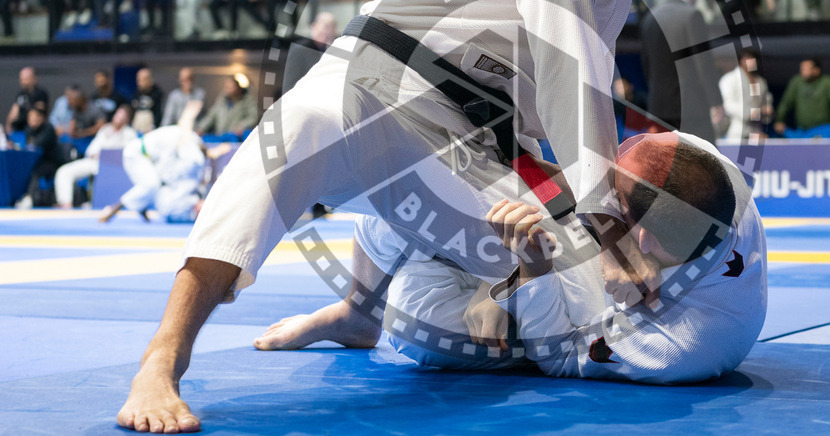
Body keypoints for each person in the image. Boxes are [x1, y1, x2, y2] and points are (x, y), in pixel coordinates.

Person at [116, 0, 710, 434]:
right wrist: (609, 226)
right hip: (375, 79)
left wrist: (572, 204)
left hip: (469, 137)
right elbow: (568, 80)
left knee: (551, 254)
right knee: (295, 134)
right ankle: (163, 358)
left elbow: (561, 108)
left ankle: (362, 314)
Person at [258, 131, 766, 385]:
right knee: (410, 192)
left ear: (646, 239)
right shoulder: (704, 167)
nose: (604, 197)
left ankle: (448, 284)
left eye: (618, 209)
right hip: (560, 236)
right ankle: (356, 312)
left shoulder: (682, 342)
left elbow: (562, 356)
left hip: (561, 311)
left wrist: (528, 275)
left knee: (413, 324)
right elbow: (580, 181)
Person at [98, 101, 226, 224]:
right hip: (136, 153)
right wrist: (189, 116)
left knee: (153, 184)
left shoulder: (188, 140)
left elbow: (198, 146)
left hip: (147, 157)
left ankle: (142, 206)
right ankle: (114, 209)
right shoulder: (179, 141)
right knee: (152, 184)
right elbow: (167, 171)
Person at [640, 0, 724, 143]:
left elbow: (647, 66)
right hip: (692, 110)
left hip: (658, 109)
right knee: (704, 159)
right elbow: (703, 64)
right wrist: (716, 101)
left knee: (666, 160)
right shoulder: (692, 15)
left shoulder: (650, 18)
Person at [54, 104, 136, 208]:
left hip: (114, 167)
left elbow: (128, 154)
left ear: (127, 120)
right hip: (95, 163)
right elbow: (90, 150)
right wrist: (96, 155)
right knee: (64, 171)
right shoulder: (105, 129)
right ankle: (66, 204)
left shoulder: (129, 133)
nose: (118, 118)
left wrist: (107, 157)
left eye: (122, 116)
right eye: (117, 114)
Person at [774, 59, 830, 134]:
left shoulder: (828, 83)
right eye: (802, 68)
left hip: (825, 130)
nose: (803, 71)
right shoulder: (796, 82)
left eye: (806, 68)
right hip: (802, 131)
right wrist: (779, 120)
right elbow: (786, 103)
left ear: (816, 70)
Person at [719, 50, 772, 141]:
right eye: (748, 58)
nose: (752, 61)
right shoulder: (730, 79)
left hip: (756, 130)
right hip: (737, 130)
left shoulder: (760, 81)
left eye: (754, 58)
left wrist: (766, 110)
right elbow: (728, 105)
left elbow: (766, 101)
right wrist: (750, 112)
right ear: (741, 60)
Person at [21, 106, 62, 207]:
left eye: (35, 118)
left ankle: (30, 197)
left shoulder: (48, 128)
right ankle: (21, 196)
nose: (32, 121)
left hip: (51, 162)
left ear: (41, 118)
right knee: (24, 170)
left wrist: (32, 143)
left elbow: (37, 144)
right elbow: (26, 145)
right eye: (30, 118)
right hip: (36, 161)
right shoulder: (29, 130)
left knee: (36, 172)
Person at [195, 74, 258, 138]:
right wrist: (201, 128)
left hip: (237, 138)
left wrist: (242, 125)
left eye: (231, 87)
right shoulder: (221, 100)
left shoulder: (247, 100)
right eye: (227, 87)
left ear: (238, 88)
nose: (228, 89)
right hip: (221, 136)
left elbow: (253, 117)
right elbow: (211, 116)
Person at [5, 66, 48, 134]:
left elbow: (39, 113)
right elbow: (14, 111)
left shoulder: (41, 93)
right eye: (22, 79)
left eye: (26, 79)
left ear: (33, 78)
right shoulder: (21, 94)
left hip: (33, 129)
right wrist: (8, 125)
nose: (23, 82)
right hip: (19, 127)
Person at [131, 67, 164, 133]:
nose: (140, 82)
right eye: (138, 79)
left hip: (151, 130)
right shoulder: (135, 94)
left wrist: (154, 127)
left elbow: (158, 113)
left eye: (143, 79)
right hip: (136, 129)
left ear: (150, 80)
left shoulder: (157, 94)